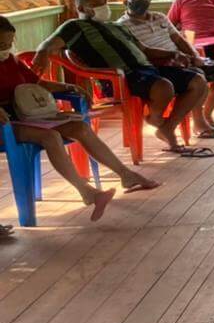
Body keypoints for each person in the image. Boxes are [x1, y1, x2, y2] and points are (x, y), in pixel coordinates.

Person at [0, 15, 158, 219]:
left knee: (80, 127)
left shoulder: (10, 60)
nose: (6, 48)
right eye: (1, 44)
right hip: (6, 124)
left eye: (9, 43)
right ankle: (88, 192)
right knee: (50, 137)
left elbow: (37, 84)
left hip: (26, 115)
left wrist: (68, 87)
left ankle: (126, 175)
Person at [34, 0, 210, 157]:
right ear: (81, 8)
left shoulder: (117, 26)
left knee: (197, 81)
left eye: (104, 2)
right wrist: (42, 53)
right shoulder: (75, 27)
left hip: (148, 69)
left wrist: (174, 54)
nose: (103, 7)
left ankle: (167, 127)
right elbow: (48, 44)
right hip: (121, 78)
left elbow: (144, 49)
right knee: (164, 87)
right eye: (97, 4)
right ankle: (156, 119)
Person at [118, 0, 214, 137]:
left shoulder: (160, 17)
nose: (141, 1)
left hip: (180, 58)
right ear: (126, 2)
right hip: (160, 64)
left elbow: (179, 39)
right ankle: (198, 123)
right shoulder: (122, 26)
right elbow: (141, 53)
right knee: (198, 78)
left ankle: (206, 114)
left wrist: (195, 56)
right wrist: (174, 56)